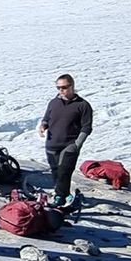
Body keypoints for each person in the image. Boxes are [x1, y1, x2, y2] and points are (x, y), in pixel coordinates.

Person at [37, 73, 93, 206]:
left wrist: (77, 144)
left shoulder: (83, 105)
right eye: (58, 88)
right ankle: (63, 194)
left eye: (64, 87)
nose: (61, 90)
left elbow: (86, 127)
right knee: (56, 171)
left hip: (69, 144)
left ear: (72, 86)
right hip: (52, 143)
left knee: (64, 172)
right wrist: (43, 126)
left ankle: (60, 198)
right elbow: (47, 118)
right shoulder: (53, 102)